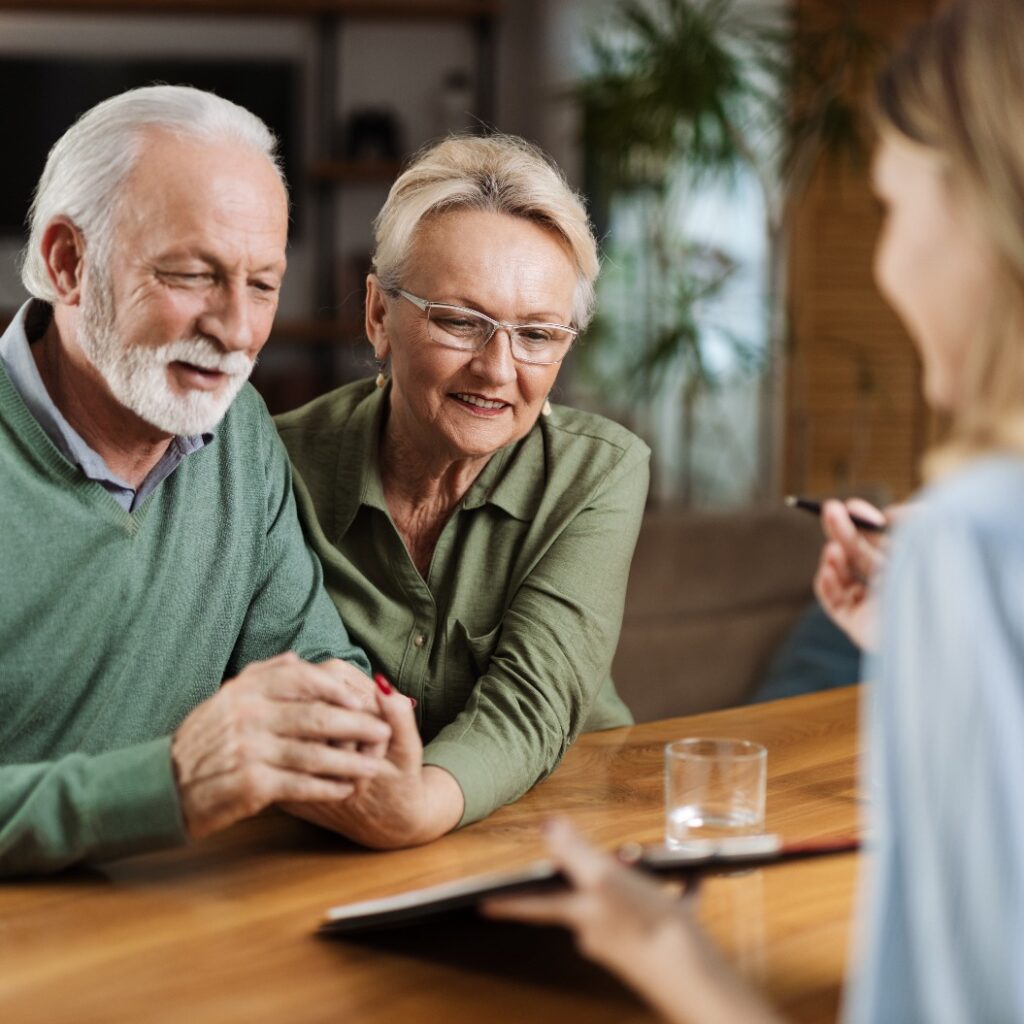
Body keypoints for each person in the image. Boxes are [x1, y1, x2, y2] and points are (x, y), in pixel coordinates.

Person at [486, 1, 1024, 1020]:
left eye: (895, 210)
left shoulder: (976, 540)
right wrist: (918, 639)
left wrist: (674, 960)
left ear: (984, 217)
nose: (884, 265)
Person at [0, 86, 397, 877]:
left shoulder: (237, 429)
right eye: (192, 275)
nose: (238, 331)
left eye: (262, 284)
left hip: (167, 923)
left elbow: (309, 657)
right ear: (66, 262)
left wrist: (359, 723)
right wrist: (165, 787)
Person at [274, 134, 651, 848]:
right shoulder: (275, 463)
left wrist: (416, 806)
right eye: (460, 321)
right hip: (333, 835)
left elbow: (530, 705)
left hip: (561, 822)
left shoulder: (601, 473)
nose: (498, 368)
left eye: (537, 334)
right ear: (378, 316)